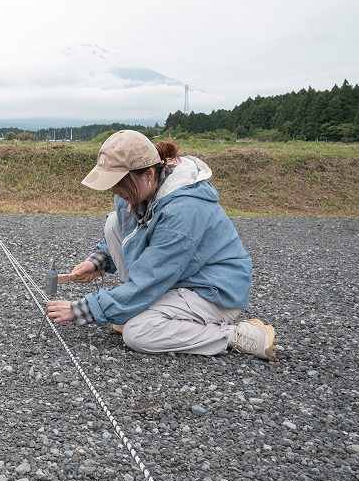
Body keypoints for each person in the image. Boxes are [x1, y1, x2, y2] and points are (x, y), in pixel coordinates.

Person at [45, 130, 277, 360]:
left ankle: (233, 335)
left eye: (118, 182)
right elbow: (130, 234)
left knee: (137, 334)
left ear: (147, 173)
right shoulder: (138, 191)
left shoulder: (183, 211)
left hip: (211, 289)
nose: (114, 190)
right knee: (116, 221)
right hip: (176, 276)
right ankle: (133, 307)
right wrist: (98, 261)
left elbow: (150, 280)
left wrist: (82, 308)